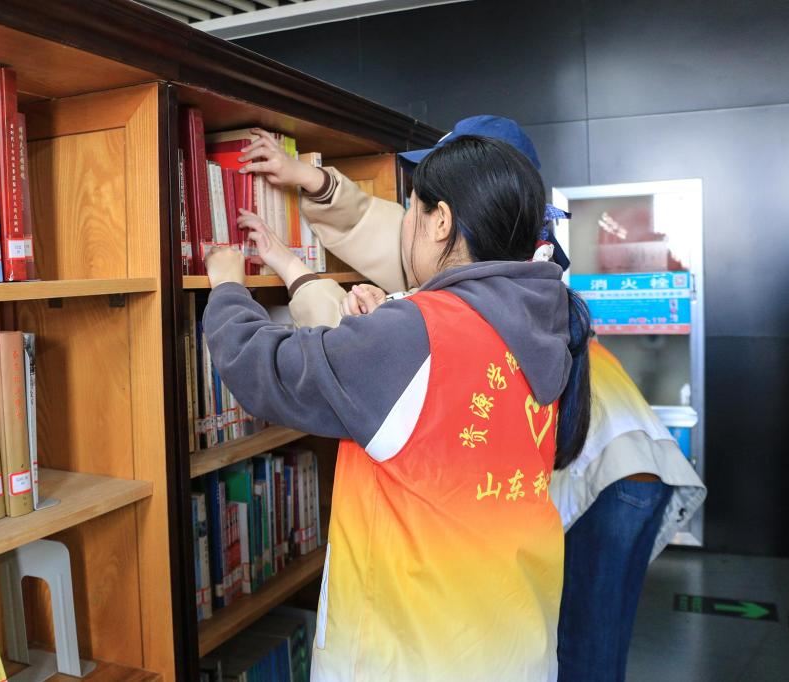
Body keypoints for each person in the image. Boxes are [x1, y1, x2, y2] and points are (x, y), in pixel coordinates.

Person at [234, 117, 705, 682]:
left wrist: (260, 282)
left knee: (587, 648)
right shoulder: (528, 279)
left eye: (420, 200)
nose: (408, 216)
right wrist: (311, 184)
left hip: (611, 468)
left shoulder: (467, 296)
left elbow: (361, 360)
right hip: (590, 485)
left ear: (457, 208)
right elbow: (383, 241)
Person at [203, 135, 592, 680]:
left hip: (412, 651)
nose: (405, 224)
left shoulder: (416, 331)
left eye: (410, 209)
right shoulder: (543, 321)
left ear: (441, 222)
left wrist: (226, 288)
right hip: (516, 640)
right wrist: (370, 326)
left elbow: (261, 369)